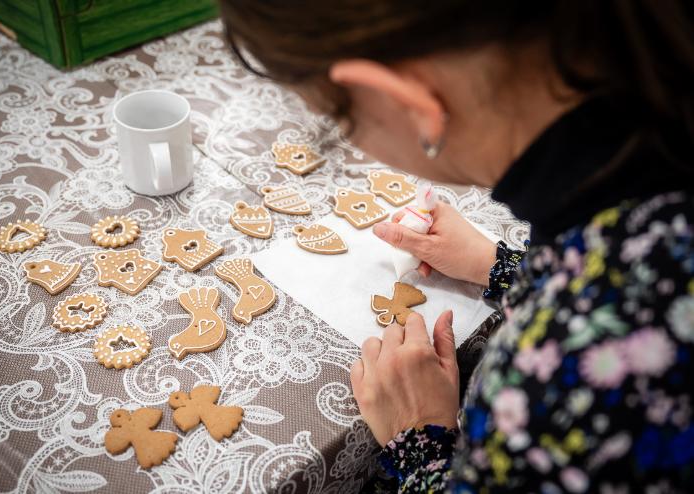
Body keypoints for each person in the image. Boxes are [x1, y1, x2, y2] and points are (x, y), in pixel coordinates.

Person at [218, 1, 694, 491]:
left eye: (342, 125)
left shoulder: (560, 381)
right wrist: (504, 267)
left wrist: (419, 440)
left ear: (410, 104)